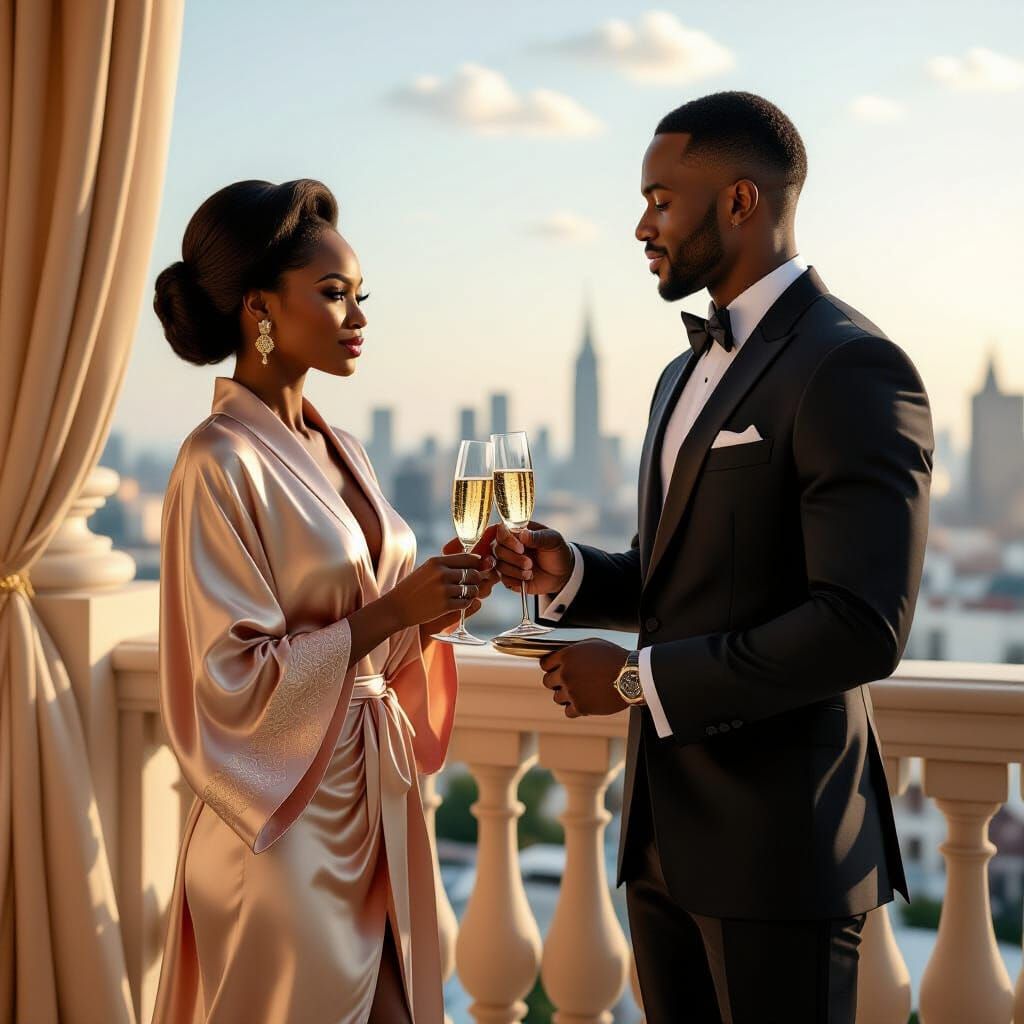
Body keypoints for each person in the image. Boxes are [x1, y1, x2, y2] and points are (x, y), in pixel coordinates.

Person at [494, 91, 933, 1023]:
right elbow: (680, 578)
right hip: (659, 844)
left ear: (739, 202)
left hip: (783, 855)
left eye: (661, 199)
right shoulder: (677, 375)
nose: (640, 225)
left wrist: (633, 684)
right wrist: (570, 572)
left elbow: (860, 626)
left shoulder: (853, 366)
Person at [150, 178, 495, 1023]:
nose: (359, 317)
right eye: (334, 295)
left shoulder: (340, 447)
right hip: (284, 826)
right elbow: (226, 677)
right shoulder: (216, 461)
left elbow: (382, 633)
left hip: (376, 801)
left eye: (359, 295)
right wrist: (392, 611)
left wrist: (443, 598)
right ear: (259, 308)